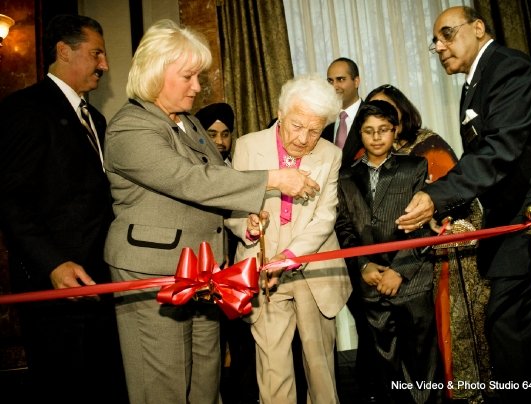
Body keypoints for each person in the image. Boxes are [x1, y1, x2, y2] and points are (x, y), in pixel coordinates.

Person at [103, 19, 320, 404]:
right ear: (155, 72)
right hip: (153, 273)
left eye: (198, 76)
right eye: (188, 76)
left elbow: (218, 175)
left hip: (204, 271)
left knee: (207, 376)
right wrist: (273, 179)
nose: (197, 87)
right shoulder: (130, 127)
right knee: (164, 385)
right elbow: (188, 180)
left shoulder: (187, 122)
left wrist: (244, 214)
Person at [397, 6, 531, 402]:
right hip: (517, 222)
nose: (439, 46)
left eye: (447, 34)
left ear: (478, 27)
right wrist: (450, 207)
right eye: (434, 42)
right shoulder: (475, 82)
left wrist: (437, 197)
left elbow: (498, 152)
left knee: (511, 329)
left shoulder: (509, 69)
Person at [0, 15, 128, 403]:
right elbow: (9, 198)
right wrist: (53, 264)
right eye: (96, 54)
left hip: (100, 283)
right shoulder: (25, 109)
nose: (105, 65)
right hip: (54, 291)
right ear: (63, 51)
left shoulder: (97, 119)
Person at [225, 74, 352, 404]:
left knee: (320, 370)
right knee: (273, 370)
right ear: (280, 114)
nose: (304, 138)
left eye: (315, 130)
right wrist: (247, 226)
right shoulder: (248, 146)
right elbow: (232, 207)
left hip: (312, 270)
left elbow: (325, 218)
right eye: (297, 125)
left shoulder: (330, 154)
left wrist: (291, 255)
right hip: (262, 270)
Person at [362, 84, 492, 402]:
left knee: (454, 327)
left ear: (401, 112)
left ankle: (467, 392)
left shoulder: (428, 145)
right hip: (407, 262)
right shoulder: (376, 157)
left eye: (387, 109)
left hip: (449, 250)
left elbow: (456, 196)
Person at [335, 100, 442, 404]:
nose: (376, 137)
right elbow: (344, 227)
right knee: (386, 365)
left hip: (411, 280)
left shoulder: (414, 167)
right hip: (371, 283)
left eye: (383, 129)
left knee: (421, 361)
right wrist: (364, 265)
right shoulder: (345, 176)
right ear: (360, 133)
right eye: (369, 131)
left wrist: (399, 270)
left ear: (395, 131)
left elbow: (422, 226)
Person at [196, 101, 260, 404]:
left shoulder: (240, 168)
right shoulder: (194, 173)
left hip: (238, 266)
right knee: (210, 344)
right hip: (204, 268)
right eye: (212, 134)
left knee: (243, 338)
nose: (220, 141)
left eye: (225, 134)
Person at [322, 57, 363, 150]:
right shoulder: (324, 121)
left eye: (340, 79)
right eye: (330, 81)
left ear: (356, 82)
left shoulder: (371, 117)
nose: (334, 86)